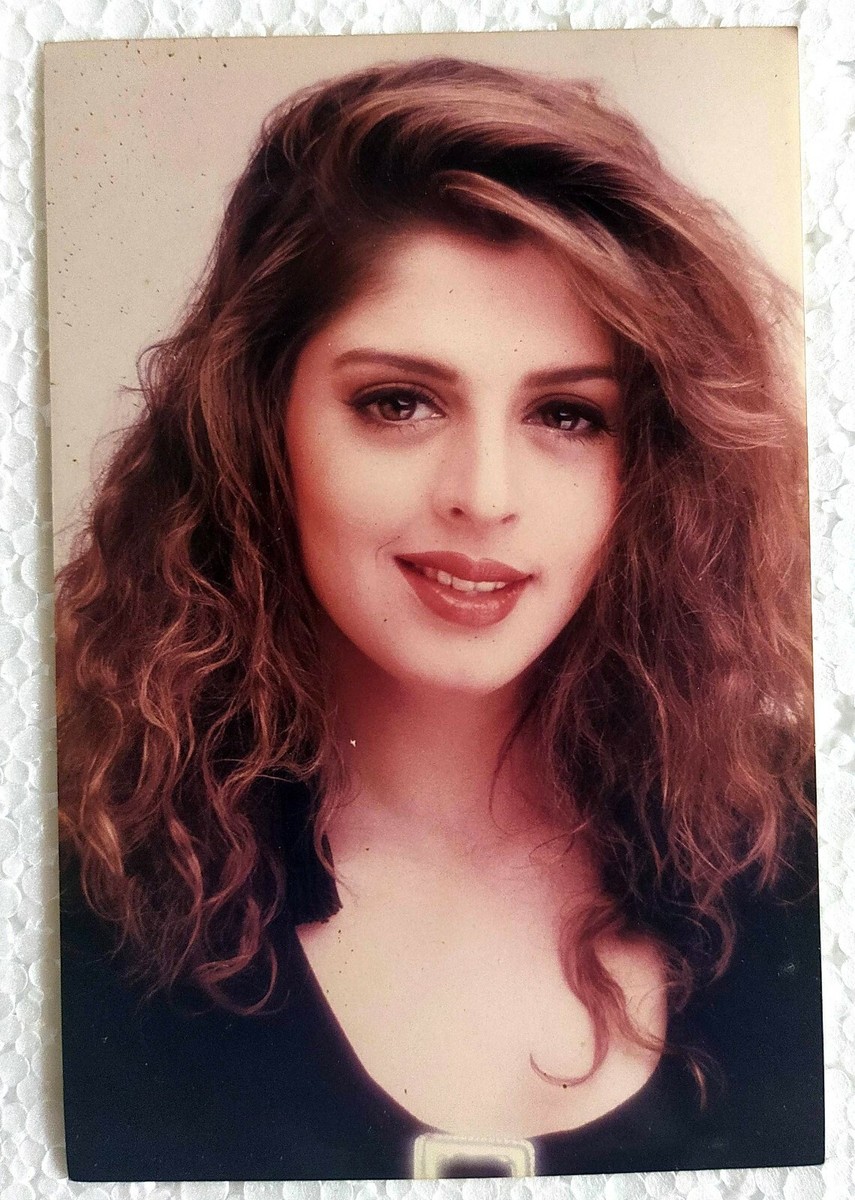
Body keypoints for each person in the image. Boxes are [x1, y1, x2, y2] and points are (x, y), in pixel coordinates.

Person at [56, 57, 822, 1181]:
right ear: (259, 423)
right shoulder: (83, 894)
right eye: (399, 402)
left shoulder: (803, 860)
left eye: (568, 415)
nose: (485, 495)